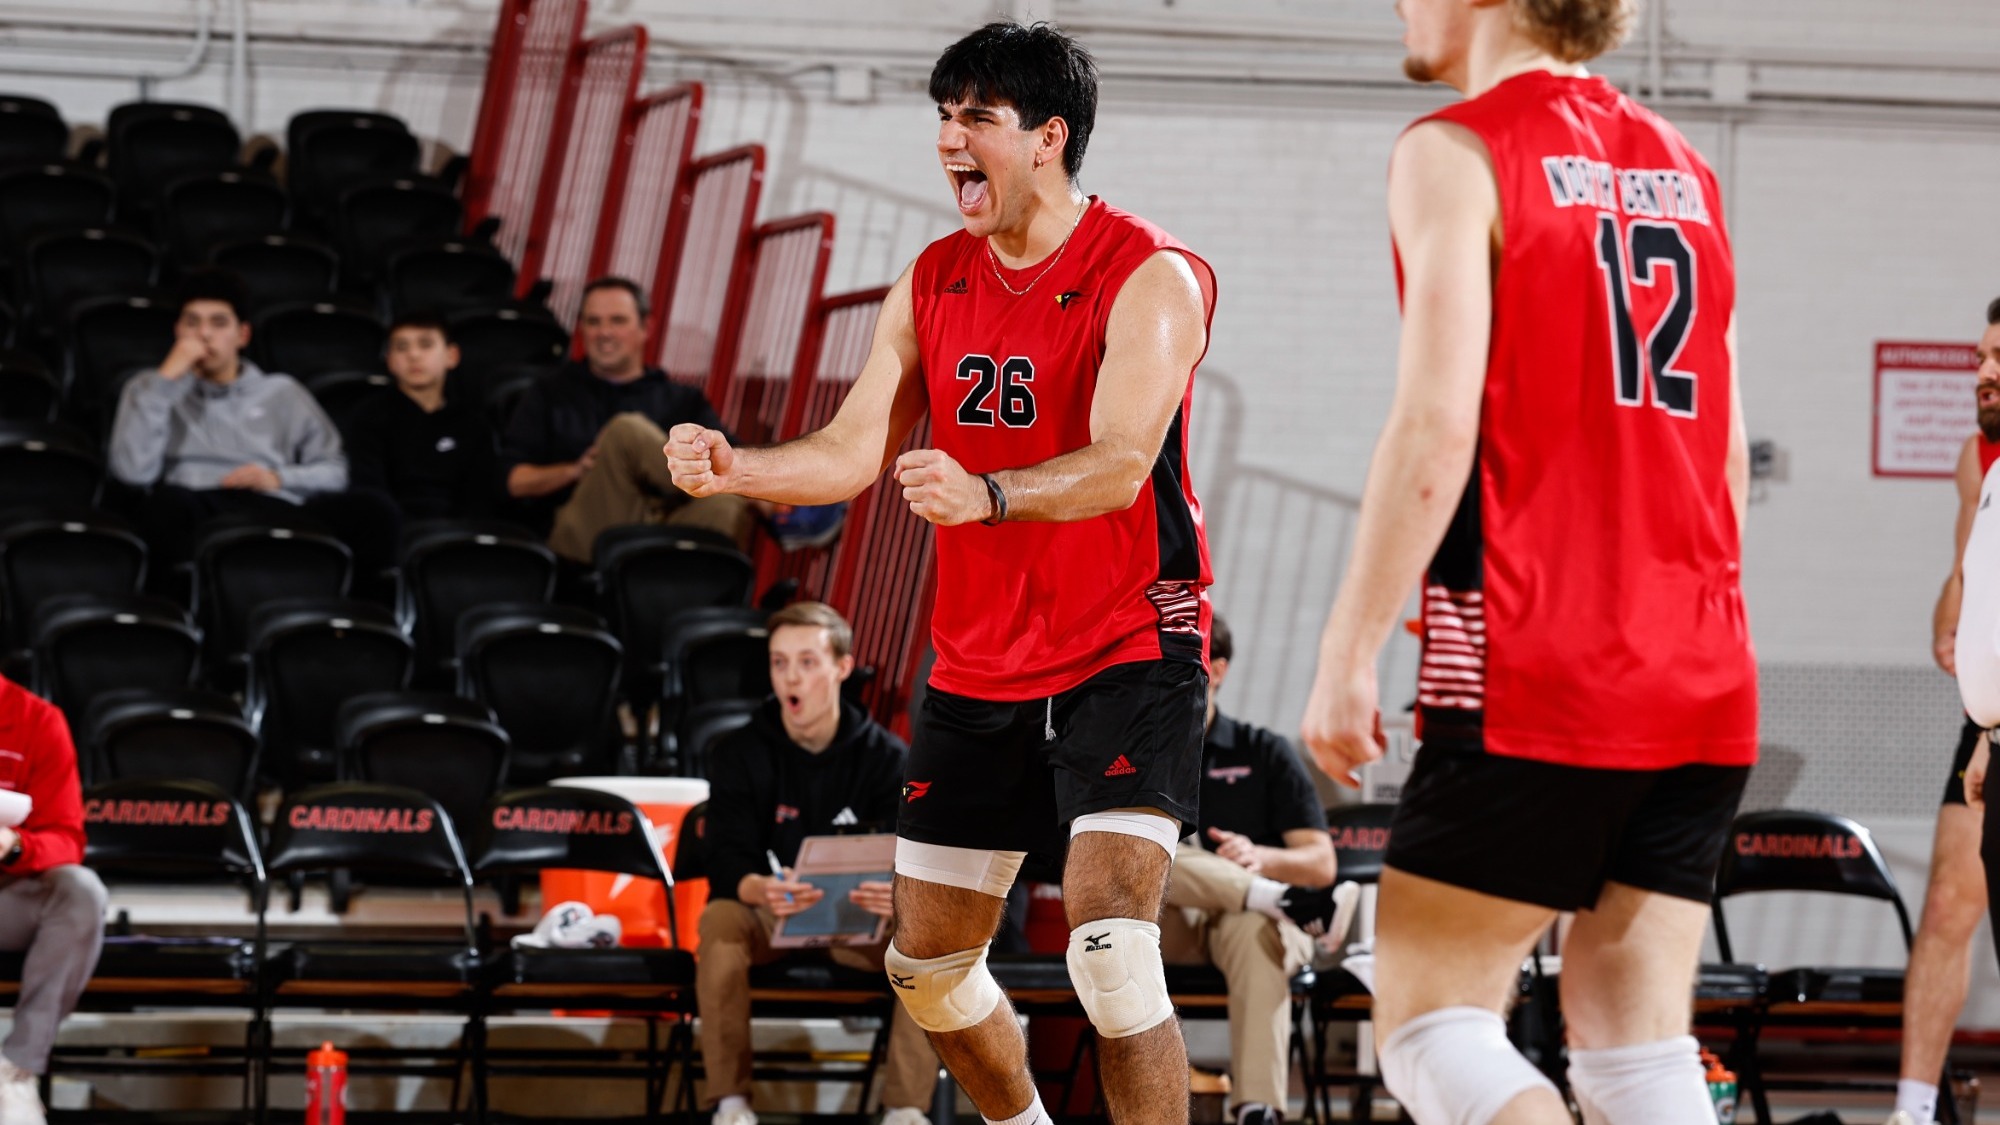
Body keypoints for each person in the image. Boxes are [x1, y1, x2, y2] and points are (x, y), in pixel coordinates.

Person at [669, 21, 1217, 1125]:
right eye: (942, 117)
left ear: (1048, 137)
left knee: (1111, 951)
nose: (948, 141)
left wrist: (990, 494)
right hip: (980, 660)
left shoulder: (1149, 273)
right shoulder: (931, 278)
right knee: (924, 967)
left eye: (976, 119)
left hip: (1125, 641)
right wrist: (739, 467)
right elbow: (852, 449)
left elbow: (1121, 463)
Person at [1299, 2, 1756, 1123]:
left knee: (1429, 1025)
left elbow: (1433, 423)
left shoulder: (1456, 149)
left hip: (1541, 660)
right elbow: (1728, 454)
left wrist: (1348, 647)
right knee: (1638, 1053)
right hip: (1701, 671)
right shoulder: (1687, 170)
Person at [697, 601, 938, 1125]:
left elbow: (915, 858)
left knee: (926, 933)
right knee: (720, 919)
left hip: (859, 918)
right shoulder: (738, 751)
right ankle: (731, 1104)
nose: (791, 677)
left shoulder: (887, 758)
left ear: (841, 668)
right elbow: (724, 858)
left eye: (807, 662)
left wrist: (896, 896)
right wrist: (759, 888)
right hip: (777, 911)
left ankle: (904, 1109)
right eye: (779, 662)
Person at [1160, 614, 1354, 1125]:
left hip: (1248, 929)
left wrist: (1262, 858)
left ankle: (1256, 1111)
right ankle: (1278, 898)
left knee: (1254, 928)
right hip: (1170, 925)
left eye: (1184, 657)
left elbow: (1321, 863)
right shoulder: (1141, 750)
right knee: (1146, 853)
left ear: (1218, 670)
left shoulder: (1263, 750)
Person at [1889, 298, 2000, 1125]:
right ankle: (1912, 1107)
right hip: (1991, 725)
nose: (1982, 374)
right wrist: (1950, 622)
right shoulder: (1979, 459)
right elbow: (1963, 578)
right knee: (1948, 904)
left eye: (1997, 360)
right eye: (1979, 359)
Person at [106, 269, 396, 582]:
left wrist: (279, 477)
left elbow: (336, 471)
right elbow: (132, 473)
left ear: (242, 335)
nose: (204, 334)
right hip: (197, 501)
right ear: (178, 330)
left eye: (218, 323)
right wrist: (165, 381)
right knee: (165, 506)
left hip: (273, 500)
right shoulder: (147, 389)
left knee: (373, 509)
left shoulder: (282, 391)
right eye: (192, 323)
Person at [499, 277, 751, 562]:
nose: (604, 332)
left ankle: (679, 584)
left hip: (660, 530)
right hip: (582, 537)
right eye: (593, 322)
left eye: (617, 321)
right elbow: (513, 481)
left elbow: (731, 455)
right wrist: (574, 470)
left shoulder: (683, 399)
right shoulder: (549, 392)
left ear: (646, 328)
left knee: (726, 505)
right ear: (581, 329)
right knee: (625, 432)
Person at [0, 674, 109, 1125]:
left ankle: (14, 1073)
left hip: (8, 893)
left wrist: (14, 845)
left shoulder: (36, 719)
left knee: (81, 891)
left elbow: (67, 838)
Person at [346, 310, 500, 521]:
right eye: (401, 347)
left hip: (458, 532)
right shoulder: (369, 416)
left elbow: (480, 497)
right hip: (391, 530)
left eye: (425, 344)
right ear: (389, 360)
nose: (413, 355)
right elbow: (369, 491)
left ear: (452, 355)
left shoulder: (473, 424)